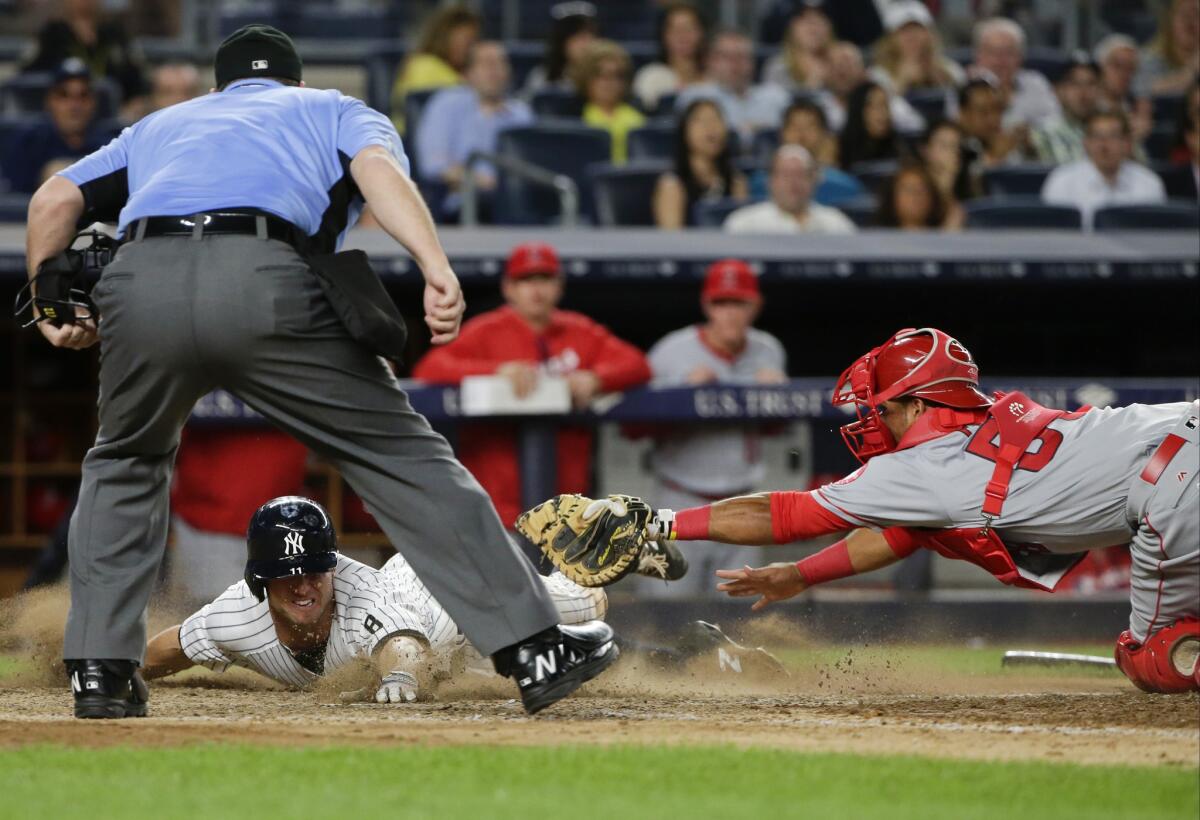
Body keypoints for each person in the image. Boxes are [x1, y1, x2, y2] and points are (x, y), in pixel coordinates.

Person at [29, 24, 618, 719]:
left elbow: (53, 201)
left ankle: (99, 671)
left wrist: (46, 298)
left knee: (124, 458)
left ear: (220, 89)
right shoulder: (330, 107)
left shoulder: (163, 123)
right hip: (264, 274)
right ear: (295, 82)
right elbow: (377, 172)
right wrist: (434, 264)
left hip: (138, 284)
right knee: (403, 456)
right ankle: (533, 650)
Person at [560, 327, 1200, 694]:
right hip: (1181, 444)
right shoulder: (970, 442)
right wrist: (800, 575)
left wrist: (663, 522)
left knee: (1152, 660)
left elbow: (785, 514)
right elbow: (901, 536)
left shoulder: (927, 465)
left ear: (923, 403)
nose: (875, 419)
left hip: (1176, 484)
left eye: (885, 406)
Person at [144, 496, 771, 696]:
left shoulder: (361, 598)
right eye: (288, 576)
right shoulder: (233, 616)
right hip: (439, 640)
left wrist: (400, 685)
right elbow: (165, 650)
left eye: (314, 569)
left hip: (429, 598)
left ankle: (617, 543)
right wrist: (110, 668)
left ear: (332, 565)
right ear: (260, 581)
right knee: (503, 667)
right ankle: (694, 647)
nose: (304, 584)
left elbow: (405, 649)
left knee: (580, 607)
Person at [412, 242, 651, 531]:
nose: (536, 290)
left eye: (545, 279)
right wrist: (495, 371)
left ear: (559, 286)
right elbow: (430, 369)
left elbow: (636, 364)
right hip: (497, 503)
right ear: (508, 288)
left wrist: (598, 378)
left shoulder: (579, 329)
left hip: (569, 505)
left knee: (562, 576)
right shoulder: (487, 330)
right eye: (525, 280)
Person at [638, 260, 787, 597]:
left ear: (756, 306)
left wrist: (777, 398)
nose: (731, 313)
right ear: (707, 305)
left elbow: (774, 430)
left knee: (739, 616)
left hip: (744, 500)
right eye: (722, 303)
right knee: (661, 611)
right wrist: (680, 393)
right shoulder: (671, 351)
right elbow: (633, 427)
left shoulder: (768, 351)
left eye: (740, 303)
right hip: (676, 498)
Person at [415, 41, 532, 218]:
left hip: (516, 204)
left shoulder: (521, 113)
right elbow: (433, 165)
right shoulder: (447, 103)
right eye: (486, 63)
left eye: (500, 63)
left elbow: (531, 168)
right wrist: (484, 181)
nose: (494, 70)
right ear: (467, 73)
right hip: (463, 203)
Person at [0, 59, 117, 194]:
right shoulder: (27, 144)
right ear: (49, 101)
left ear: (94, 103)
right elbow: (13, 201)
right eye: (64, 95)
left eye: (83, 95)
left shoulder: (110, 147)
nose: (74, 105)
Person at [1041, 110, 1167, 229]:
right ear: (1085, 143)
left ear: (1127, 144)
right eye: (1097, 136)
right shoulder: (1061, 181)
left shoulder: (1149, 183)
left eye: (1113, 136)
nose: (1104, 145)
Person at [23, 0, 148, 117]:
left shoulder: (115, 34)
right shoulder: (51, 34)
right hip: (60, 119)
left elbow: (137, 80)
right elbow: (27, 78)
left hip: (112, 118)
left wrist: (134, 104)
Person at [676, 29, 791, 143]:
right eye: (727, 57)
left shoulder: (776, 97)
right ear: (712, 61)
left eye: (741, 56)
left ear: (752, 62)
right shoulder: (695, 96)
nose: (735, 63)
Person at [654, 98, 747, 228]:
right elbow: (671, 239)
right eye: (701, 121)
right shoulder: (672, 185)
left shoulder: (737, 181)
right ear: (685, 131)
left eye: (716, 119)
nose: (711, 128)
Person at [725, 145, 856, 234]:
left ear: (814, 180)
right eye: (785, 175)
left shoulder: (836, 223)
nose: (793, 182)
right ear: (770, 181)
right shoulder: (744, 224)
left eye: (801, 174)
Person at [390, 5, 480, 132]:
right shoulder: (424, 65)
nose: (471, 50)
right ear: (445, 38)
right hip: (411, 145)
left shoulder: (453, 70)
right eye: (467, 42)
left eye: (474, 42)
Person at [969, 17, 1060, 130]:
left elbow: (1055, 124)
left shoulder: (1036, 84)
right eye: (992, 52)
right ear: (978, 56)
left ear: (1020, 57)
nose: (1000, 61)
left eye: (1008, 53)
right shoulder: (965, 86)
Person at [869, 0, 964, 98]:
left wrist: (943, 82)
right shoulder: (878, 76)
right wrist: (902, 82)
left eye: (917, 28)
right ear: (890, 38)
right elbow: (877, 108)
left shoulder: (950, 70)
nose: (912, 36)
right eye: (904, 30)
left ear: (929, 34)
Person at [777, 99, 864, 204]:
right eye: (794, 126)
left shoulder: (845, 185)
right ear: (782, 133)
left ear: (824, 134)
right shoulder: (760, 183)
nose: (801, 134)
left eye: (810, 126)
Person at [573, 40, 645, 164]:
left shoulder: (637, 121)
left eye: (616, 75)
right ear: (587, 78)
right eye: (601, 75)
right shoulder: (572, 118)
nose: (609, 82)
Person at [632, 2, 708, 112]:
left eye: (689, 29)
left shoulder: (715, 79)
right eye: (675, 30)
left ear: (702, 33)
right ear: (664, 35)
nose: (682, 36)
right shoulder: (650, 77)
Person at [1031, 54, 1103, 165]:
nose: (1083, 92)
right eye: (1075, 84)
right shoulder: (1041, 133)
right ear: (1058, 91)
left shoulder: (1115, 132)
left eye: (1091, 84)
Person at [522, 1, 598, 98]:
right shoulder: (542, 77)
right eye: (577, 37)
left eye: (589, 36)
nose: (585, 44)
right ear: (562, 41)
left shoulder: (605, 76)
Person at [760, 1, 834, 93]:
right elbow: (772, 104)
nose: (814, 26)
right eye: (806, 19)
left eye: (820, 18)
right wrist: (812, 85)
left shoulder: (842, 63)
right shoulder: (777, 67)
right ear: (793, 27)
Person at [1094, 34, 1153, 147]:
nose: (1124, 74)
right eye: (1117, 65)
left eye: (1130, 68)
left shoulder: (1137, 110)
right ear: (1100, 67)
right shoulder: (1087, 105)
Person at [956, 77, 1025, 168]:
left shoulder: (1008, 141)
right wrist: (995, 157)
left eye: (997, 110)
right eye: (983, 112)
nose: (992, 119)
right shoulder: (952, 147)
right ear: (963, 115)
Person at [837, 80, 906, 171]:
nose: (883, 113)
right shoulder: (838, 150)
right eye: (874, 106)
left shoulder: (900, 147)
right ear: (857, 110)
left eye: (885, 105)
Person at [1136, 0, 1199, 98]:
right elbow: (1141, 90)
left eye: (1196, 15)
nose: (1190, 22)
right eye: (1184, 15)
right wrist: (1190, 72)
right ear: (1170, 20)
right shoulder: (1148, 58)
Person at [874, 163, 958, 230]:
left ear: (932, 198)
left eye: (922, 190)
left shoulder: (945, 236)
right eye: (908, 189)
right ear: (893, 197)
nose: (915, 196)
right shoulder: (875, 241)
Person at [921, 119, 978, 212]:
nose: (954, 152)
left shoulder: (972, 183)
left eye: (957, 146)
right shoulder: (914, 186)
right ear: (926, 150)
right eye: (945, 145)